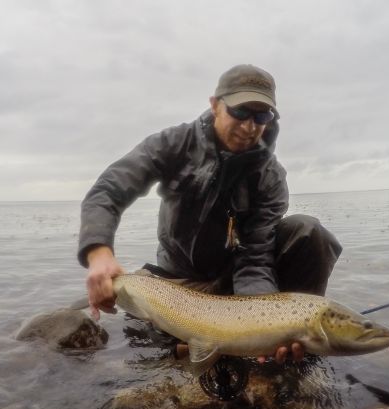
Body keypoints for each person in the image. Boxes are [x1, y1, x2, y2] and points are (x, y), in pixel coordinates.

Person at [77, 64, 342, 363]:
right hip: (176, 280)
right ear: (215, 105)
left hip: (232, 283)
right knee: (137, 334)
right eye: (240, 112)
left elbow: (254, 259)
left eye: (261, 116)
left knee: (310, 232)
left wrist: (263, 329)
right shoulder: (173, 144)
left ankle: (293, 347)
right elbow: (109, 189)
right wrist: (99, 254)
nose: (250, 126)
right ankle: (201, 347)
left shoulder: (270, 178)